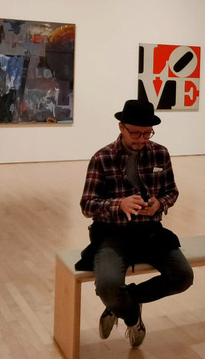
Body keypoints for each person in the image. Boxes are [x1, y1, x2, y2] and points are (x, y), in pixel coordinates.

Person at [77, 99, 194, 348]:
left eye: (147, 133)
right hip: (112, 233)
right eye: (135, 133)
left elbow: (172, 191)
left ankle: (123, 303)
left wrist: (159, 204)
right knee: (108, 286)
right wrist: (117, 204)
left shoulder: (160, 152)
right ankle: (132, 316)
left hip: (150, 232)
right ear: (121, 127)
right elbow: (87, 205)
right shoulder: (102, 158)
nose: (142, 139)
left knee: (183, 277)